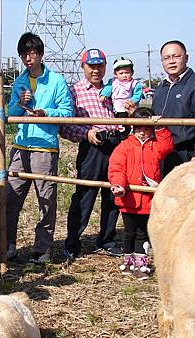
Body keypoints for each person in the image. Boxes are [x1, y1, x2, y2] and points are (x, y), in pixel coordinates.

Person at [0, 32, 73, 265]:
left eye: (32, 53)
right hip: (20, 145)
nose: (28, 58)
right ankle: (8, 247)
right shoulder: (19, 81)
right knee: (10, 197)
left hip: (45, 147)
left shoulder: (56, 81)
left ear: (41, 54)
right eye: (24, 54)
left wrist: (47, 113)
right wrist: (19, 103)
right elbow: (9, 114)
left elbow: (67, 112)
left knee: (45, 200)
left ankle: (42, 249)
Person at [60, 48, 125, 260]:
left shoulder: (115, 89)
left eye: (99, 66)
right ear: (83, 67)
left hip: (116, 143)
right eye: (91, 66)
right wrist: (87, 133)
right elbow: (65, 127)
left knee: (113, 193)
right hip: (92, 146)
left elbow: (127, 115)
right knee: (85, 195)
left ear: (105, 67)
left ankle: (107, 239)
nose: (95, 70)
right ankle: (72, 243)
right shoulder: (74, 91)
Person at [108, 108, 174, 279]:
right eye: (139, 129)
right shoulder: (124, 147)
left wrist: (160, 127)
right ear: (132, 128)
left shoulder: (155, 146)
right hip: (128, 199)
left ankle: (141, 263)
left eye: (147, 129)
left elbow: (167, 146)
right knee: (129, 232)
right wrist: (118, 185)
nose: (142, 133)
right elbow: (116, 168)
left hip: (148, 199)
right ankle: (128, 260)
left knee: (143, 233)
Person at [152, 40, 195, 175]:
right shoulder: (161, 87)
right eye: (166, 58)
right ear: (162, 61)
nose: (171, 61)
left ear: (186, 58)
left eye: (176, 56)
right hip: (161, 153)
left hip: (186, 153)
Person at [99, 57, 143, 121]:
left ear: (132, 72)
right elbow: (108, 88)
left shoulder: (134, 83)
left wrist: (132, 101)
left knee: (126, 123)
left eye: (127, 73)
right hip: (114, 106)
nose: (124, 75)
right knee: (115, 121)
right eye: (121, 73)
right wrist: (104, 95)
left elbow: (137, 94)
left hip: (127, 107)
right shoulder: (113, 82)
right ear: (115, 74)